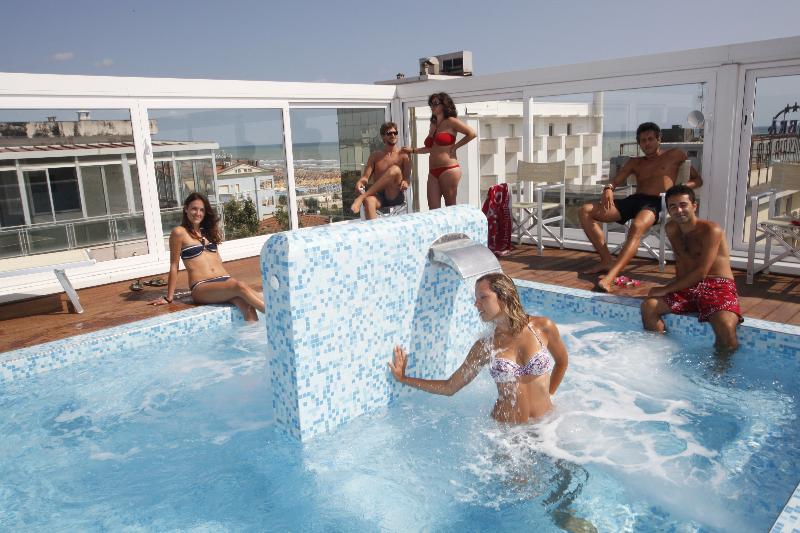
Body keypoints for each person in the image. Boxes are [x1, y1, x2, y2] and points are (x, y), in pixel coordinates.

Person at [388, 273, 568, 423]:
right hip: (508, 435)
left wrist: (549, 395)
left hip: (545, 427)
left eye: (483, 297)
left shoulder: (542, 327)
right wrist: (404, 378)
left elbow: (562, 362)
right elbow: (449, 387)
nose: (476, 304)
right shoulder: (485, 346)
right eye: (476, 299)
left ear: (504, 296)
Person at [579, 122, 703, 292]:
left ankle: (611, 276)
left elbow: (698, 180)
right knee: (585, 210)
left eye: (651, 139)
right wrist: (608, 188)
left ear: (659, 139)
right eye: (643, 141)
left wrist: (679, 189)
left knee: (637, 225)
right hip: (635, 200)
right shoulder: (634, 162)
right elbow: (616, 180)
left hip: (657, 202)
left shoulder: (675, 155)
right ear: (639, 143)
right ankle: (606, 260)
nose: (647, 143)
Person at [640, 185, 742, 351]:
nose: (678, 210)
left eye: (683, 205)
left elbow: (702, 272)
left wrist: (666, 289)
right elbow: (681, 261)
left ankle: (722, 366)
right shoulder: (672, 228)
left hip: (718, 285)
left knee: (725, 327)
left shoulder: (711, 230)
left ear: (694, 206)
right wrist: (675, 290)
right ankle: (659, 353)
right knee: (649, 307)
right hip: (689, 284)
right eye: (673, 206)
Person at [151, 192, 265, 321]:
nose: (198, 213)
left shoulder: (208, 232)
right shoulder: (179, 232)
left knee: (248, 307)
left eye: (202, 210)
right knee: (241, 286)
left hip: (225, 281)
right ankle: (275, 315)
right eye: (194, 209)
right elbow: (174, 265)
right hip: (201, 286)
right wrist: (169, 297)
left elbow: (217, 259)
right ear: (186, 209)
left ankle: (253, 331)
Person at [401, 92, 476, 209]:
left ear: (444, 104)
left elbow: (472, 133)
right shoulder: (433, 124)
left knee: (450, 206)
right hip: (433, 171)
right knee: (433, 209)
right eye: (431, 104)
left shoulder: (451, 121)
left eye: (435, 103)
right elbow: (430, 148)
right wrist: (412, 150)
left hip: (449, 169)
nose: (432, 106)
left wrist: (456, 146)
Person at [350, 122, 411, 220]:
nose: (393, 135)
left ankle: (361, 197)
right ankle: (375, 230)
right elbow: (365, 177)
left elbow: (407, 178)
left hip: (395, 194)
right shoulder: (375, 156)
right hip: (379, 196)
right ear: (383, 137)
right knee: (369, 201)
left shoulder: (403, 155)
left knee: (394, 169)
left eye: (395, 133)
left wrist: (405, 182)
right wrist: (360, 182)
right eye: (389, 133)